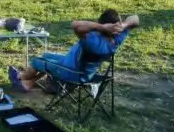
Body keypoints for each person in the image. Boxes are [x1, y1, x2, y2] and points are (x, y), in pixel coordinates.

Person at [9, 9, 138, 92]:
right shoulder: (117, 38)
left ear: (104, 25)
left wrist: (101, 27)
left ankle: (21, 77)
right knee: (46, 55)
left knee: (37, 61)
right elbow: (135, 18)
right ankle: (30, 82)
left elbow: (75, 25)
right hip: (81, 69)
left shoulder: (93, 42)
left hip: (73, 73)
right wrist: (124, 25)